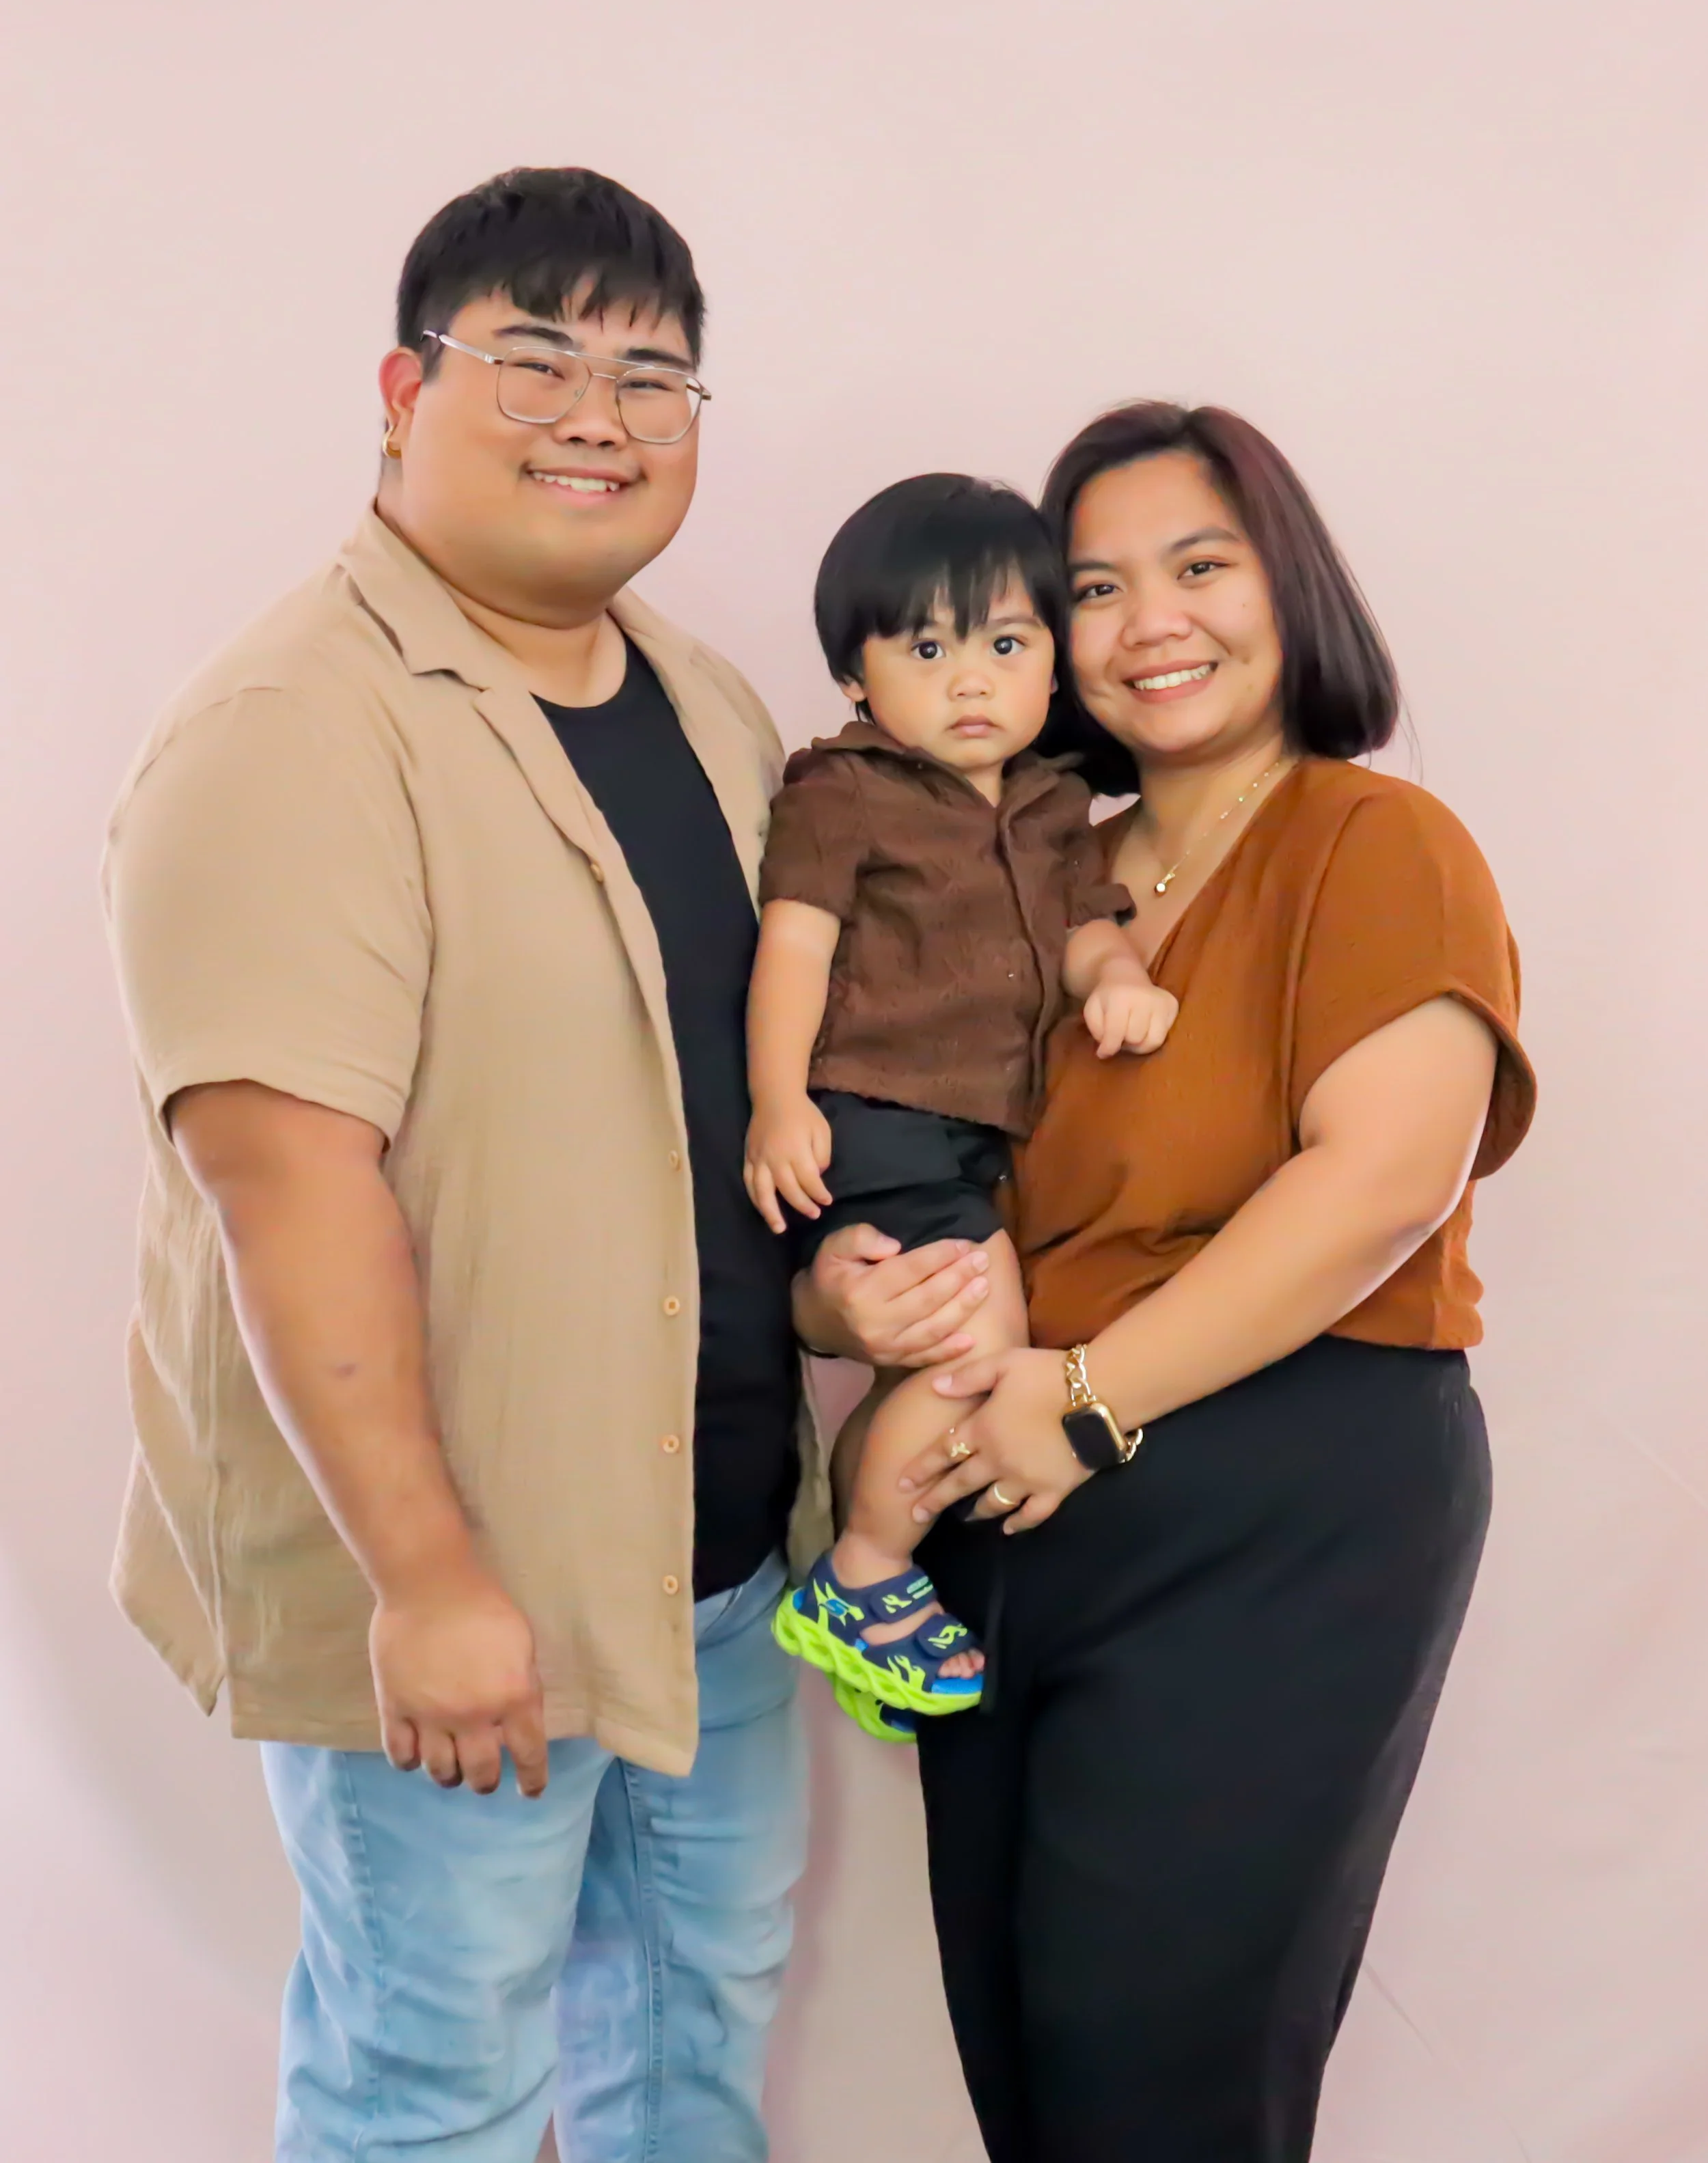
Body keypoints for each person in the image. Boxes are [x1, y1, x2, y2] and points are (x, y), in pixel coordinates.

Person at [102, 167, 820, 2163]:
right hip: (465, 1582)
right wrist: (425, 1576)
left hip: (719, 1564)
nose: (601, 411)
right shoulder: (292, 726)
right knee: (437, 2084)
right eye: (537, 355)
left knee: (692, 2035)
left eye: (653, 372)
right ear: (404, 389)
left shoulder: (703, 701)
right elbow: (287, 1181)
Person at [800, 401, 1537, 2162]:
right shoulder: (1038, 868)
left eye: (1199, 567)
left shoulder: (1372, 838)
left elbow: (1378, 1182)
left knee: (1160, 2080)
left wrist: (1085, 1394)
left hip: (1272, 1496)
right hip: (1004, 1506)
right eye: (1094, 587)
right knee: (1026, 2054)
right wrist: (843, 1295)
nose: (1149, 623)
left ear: (1287, 586)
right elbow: (905, 1161)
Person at [745, 474, 1175, 1731]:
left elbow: (1091, 930)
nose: (971, 679)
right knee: (979, 1347)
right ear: (856, 677)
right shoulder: (844, 791)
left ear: (1054, 659)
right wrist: (779, 1101)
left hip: (974, 1137)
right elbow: (796, 949)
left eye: (1004, 644)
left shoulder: (1053, 807)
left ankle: (875, 1572)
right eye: (927, 649)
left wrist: (1124, 982)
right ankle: (864, 1573)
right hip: (871, 1112)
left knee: (947, 1352)